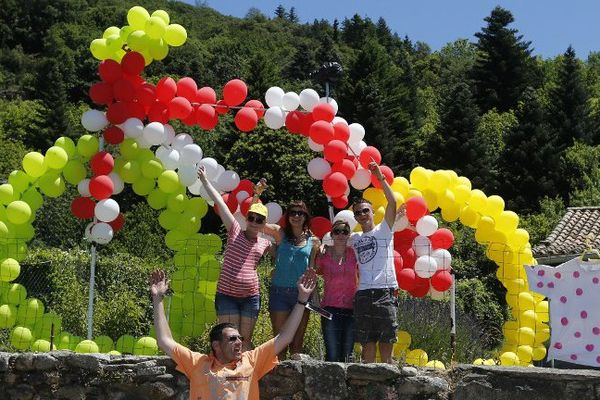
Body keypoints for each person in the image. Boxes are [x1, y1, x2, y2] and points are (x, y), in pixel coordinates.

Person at [150, 269, 317, 400]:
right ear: (216, 345)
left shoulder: (251, 360)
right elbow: (165, 341)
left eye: (240, 338)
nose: (239, 342)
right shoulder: (198, 363)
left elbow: (286, 337)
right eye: (232, 338)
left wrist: (302, 299)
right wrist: (157, 299)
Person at [197, 166, 273, 350]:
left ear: (264, 224)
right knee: (229, 342)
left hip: (250, 298)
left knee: (244, 342)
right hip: (227, 296)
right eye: (252, 218)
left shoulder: (265, 243)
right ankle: (226, 377)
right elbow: (219, 201)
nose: (255, 222)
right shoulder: (234, 231)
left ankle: (244, 377)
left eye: (259, 220)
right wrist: (205, 181)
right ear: (247, 219)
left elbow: (286, 251)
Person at [351, 161, 399, 363]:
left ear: (372, 212)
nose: (362, 215)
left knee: (387, 340)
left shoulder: (384, 229)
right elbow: (333, 240)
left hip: (385, 291)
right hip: (363, 293)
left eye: (365, 211)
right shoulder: (354, 239)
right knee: (367, 343)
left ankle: (388, 390)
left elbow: (393, 203)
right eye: (358, 213)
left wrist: (379, 177)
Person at [264, 200, 320, 358]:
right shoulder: (279, 233)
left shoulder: (313, 241)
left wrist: (315, 296)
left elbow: (312, 269)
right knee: (279, 342)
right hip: (279, 293)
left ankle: (295, 382)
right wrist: (257, 194)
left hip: (301, 295)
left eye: (300, 213)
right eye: (292, 212)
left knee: (297, 343)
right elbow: (255, 221)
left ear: (306, 216)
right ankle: (278, 380)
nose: (296, 216)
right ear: (287, 216)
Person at [315, 219, 358, 362]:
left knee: (348, 354)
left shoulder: (353, 253)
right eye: (337, 231)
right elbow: (311, 272)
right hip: (329, 308)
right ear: (331, 235)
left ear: (348, 235)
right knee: (332, 353)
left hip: (351, 308)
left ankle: (347, 384)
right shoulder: (324, 254)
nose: (340, 235)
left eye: (344, 232)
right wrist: (319, 247)